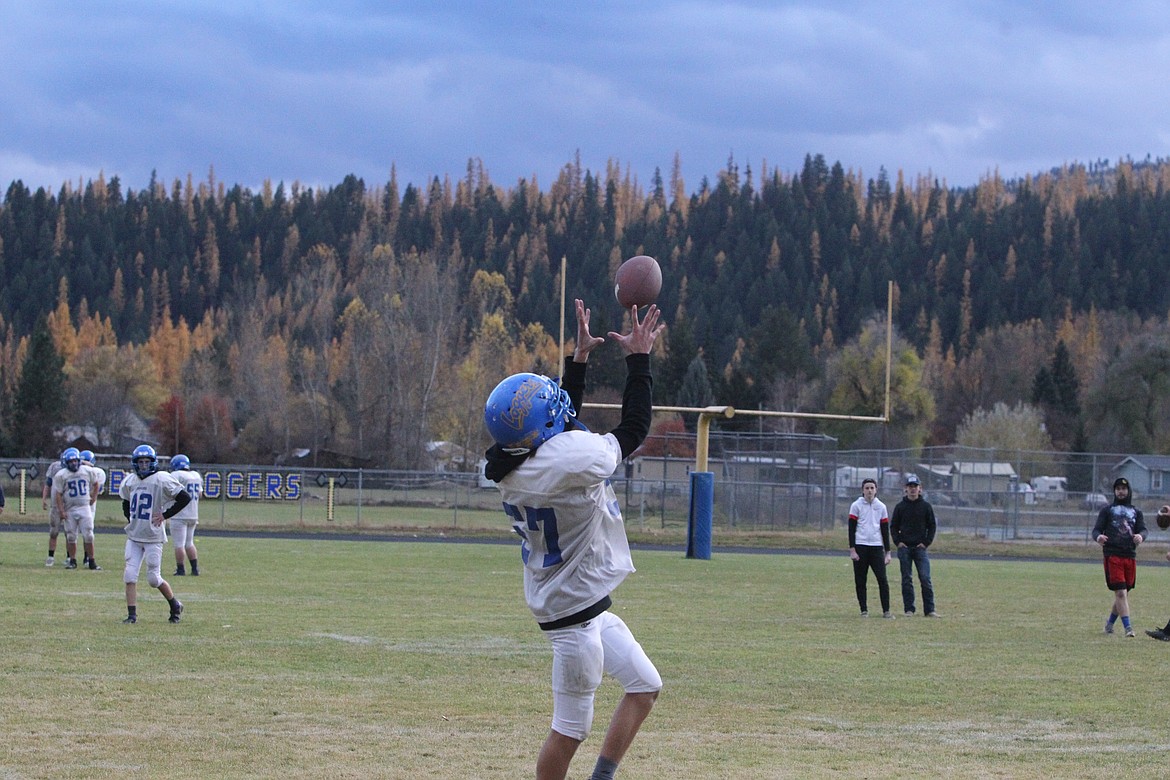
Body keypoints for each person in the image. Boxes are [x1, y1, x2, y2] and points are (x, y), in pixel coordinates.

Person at [482, 299, 664, 780]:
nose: (561, 405)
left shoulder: (513, 463)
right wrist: (639, 358)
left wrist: (579, 361)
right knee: (568, 732)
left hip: (579, 601)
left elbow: (553, 426)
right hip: (573, 618)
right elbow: (633, 430)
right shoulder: (569, 462)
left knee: (645, 686)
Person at [118, 444, 189, 624]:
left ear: (153, 462)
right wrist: (131, 520)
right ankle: (132, 615)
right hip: (134, 536)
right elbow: (126, 503)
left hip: (153, 537)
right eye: (140, 462)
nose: (143, 465)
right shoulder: (130, 481)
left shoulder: (162, 479)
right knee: (129, 575)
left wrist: (165, 515)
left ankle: (174, 604)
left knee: (153, 578)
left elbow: (184, 497)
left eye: (146, 462)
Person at [1093, 477, 1146, 637]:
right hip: (1113, 555)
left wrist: (1141, 537)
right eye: (1118, 489)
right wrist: (1099, 538)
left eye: (1123, 488)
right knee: (1121, 593)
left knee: (1124, 593)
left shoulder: (1136, 512)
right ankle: (1128, 628)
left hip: (1129, 556)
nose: (1121, 491)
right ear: (1114, 491)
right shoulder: (1107, 510)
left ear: (1128, 491)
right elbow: (1096, 530)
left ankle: (1109, 624)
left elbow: (1143, 530)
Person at [890, 475, 939, 617]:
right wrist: (898, 542)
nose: (913, 489)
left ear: (920, 489)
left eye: (915, 486)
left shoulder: (926, 507)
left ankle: (929, 610)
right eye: (910, 486)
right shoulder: (900, 507)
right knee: (906, 579)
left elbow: (932, 526)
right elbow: (893, 527)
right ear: (906, 489)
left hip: (920, 549)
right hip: (905, 548)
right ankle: (909, 609)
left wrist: (925, 543)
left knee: (925, 578)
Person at [51, 447, 104, 570]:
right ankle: (72, 560)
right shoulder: (61, 475)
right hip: (70, 508)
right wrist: (61, 510)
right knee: (71, 536)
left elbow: (96, 484)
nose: (74, 463)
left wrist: (93, 497)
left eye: (75, 461)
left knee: (89, 535)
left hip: (84, 507)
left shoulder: (86, 471)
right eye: (71, 461)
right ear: (66, 463)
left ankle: (91, 561)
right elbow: (58, 494)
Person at [848, 477, 893, 618]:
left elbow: (885, 530)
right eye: (867, 488)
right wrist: (852, 549)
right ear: (862, 490)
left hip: (876, 547)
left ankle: (886, 611)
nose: (869, 491)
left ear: (876, 490)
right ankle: (864, 610)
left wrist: (888, 552)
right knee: (861, 580)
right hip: (861, 547)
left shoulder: (881, 507)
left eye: (872, 488)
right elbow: (851, 529)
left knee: (882, 579)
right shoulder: (856, 506)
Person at [167, 454, 202, 576]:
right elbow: (200, 494)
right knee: (189, 543)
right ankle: (195, 569)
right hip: (193, 514)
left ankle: (180, 569)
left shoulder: (176, 475)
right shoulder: (195, 475)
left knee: (179, 544)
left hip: (180, 514)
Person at [79, 450, 106, 567]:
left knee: (88, 532)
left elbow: (96, 489)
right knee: (71, 532)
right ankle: (70, 557)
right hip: (76, 504)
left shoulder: (97, 473)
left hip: (89, 505)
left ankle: (87, 557)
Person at [42, 452, 66, 566]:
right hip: (55, 505)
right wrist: (44, 498)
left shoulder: (79, 469)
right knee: (53, 532)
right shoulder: (55, 466)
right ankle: (50, 557)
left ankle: (70, 558)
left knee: (70, 533)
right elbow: (48, 483)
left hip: (69, 505)